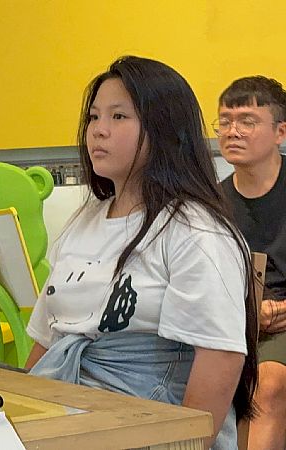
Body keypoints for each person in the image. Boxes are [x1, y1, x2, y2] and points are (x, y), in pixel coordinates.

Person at [24, 56, 258, 449]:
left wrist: (185, 444)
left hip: (145, 426)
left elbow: (221, 357)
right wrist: (18, 416)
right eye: (93, 117)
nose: (98, 130)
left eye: (118, 117)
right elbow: (48, 339)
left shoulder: (195, 230)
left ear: (164, 130)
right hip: (67, 418)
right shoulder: (84, 221)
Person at [216, 76, 286, 449]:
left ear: (280, 132)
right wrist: (246, 312)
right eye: (225, 121)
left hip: (280, 324)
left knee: (267, 382)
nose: (233, 131)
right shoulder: (211, 204)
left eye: (247, 121)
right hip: (235, 323)